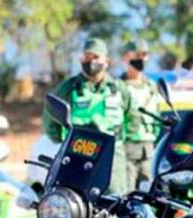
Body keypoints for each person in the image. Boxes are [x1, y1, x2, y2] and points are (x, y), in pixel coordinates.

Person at [43, 37, 132, 193]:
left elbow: (131, 118)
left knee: (114, 205)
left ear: (107, 61)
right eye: (87, 57)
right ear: (81, 59)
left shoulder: (119, 89)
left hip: (112, 159)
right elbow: (50, 117)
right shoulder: (68, 88)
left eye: (95, 57)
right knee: (75, 204)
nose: (90, 61)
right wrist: (61, 140)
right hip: (77, 156)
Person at [122, 39, 162, 189]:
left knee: (151, 195)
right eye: (137, 55)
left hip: (149, 150)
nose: (141, 59)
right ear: (126, 57)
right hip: (126, 151)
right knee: (125, 196)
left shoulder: (151, 86)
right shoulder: (118, 87)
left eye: (144, 55)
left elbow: (157, 116)